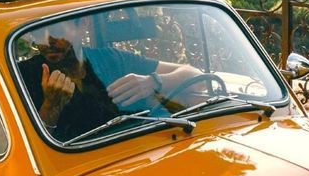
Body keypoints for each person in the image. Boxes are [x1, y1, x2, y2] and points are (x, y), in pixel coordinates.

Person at [19, 15, 208, 142]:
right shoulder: (23, 75)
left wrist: (153, 82)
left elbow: (197, 77)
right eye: (37, 33)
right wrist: (51, 107)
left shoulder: (110, 58)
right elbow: (29, 152)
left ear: (83, 25)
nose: (47, 40)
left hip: (150, 147)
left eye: (57, 30)